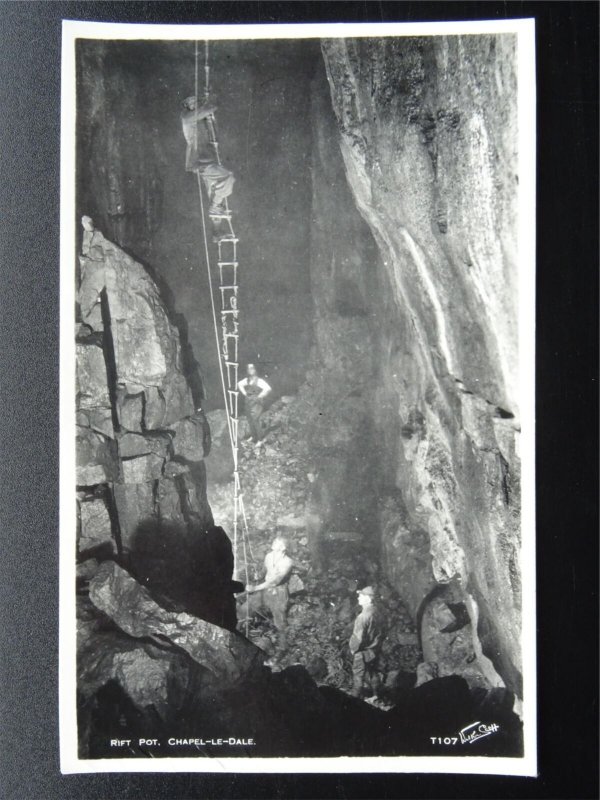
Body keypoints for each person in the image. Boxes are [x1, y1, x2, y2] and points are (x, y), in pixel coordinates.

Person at [180, 95, 235, 232]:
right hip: (200, 161)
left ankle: (217, 231)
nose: (194, 104)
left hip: (206, 159)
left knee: (214, 192)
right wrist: (210, 101)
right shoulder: (187, 118)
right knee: (227, 177)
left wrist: (210, 118)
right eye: (191, 102)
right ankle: (215, 207)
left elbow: (212, 129)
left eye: (196, 101)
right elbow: (210, 108)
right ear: (186, 105)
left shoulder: (200, 119)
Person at [237, 536, 293, 633]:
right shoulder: (269, 556)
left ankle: (283, 646)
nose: (274, 542)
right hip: (265, 590)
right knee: (244, 609)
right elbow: (263, 573)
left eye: (277, 542)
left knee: (280, 623)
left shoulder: (287, 562)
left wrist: (255, 588)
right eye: (274, 541)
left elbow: (274, 582)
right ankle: (236, 631)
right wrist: (256, 575)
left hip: (279, 593)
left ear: (283, 548)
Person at [349, 586, 383, 699]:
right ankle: (377, 696)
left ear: (368, 599)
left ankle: (353, 700)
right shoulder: (378, 612)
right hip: (374, 650)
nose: (358, 597)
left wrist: (353, 649)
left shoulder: (362, 617)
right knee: (373, 672)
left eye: (361, 595)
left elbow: (357, 639)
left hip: (362, 651)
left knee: (358, 675)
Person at [304, 468, 331, 575]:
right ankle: (314, 565)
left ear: (317, 475)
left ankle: (320, 568)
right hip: (309, 516)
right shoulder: (310, 485)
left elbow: (327, 504)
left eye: (311, 476)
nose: (309, 478)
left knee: (317, 542)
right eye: (308, 476)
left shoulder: (322, 486)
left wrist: (323, 518)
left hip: (317, 517)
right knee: (311, 542)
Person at [237, 364, 272, 443]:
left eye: (252, 368)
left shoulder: (259, 381)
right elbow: (239, 384)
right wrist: (244, 393)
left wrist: (260, 396)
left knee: (255, 419)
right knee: (250, 419)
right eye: (248, 368)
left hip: (257, 403)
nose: (250, 370)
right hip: (248, 402)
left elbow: (268, 388)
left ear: (255, 369)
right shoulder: (247, 380)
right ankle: (253, 437)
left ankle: (261, 439)